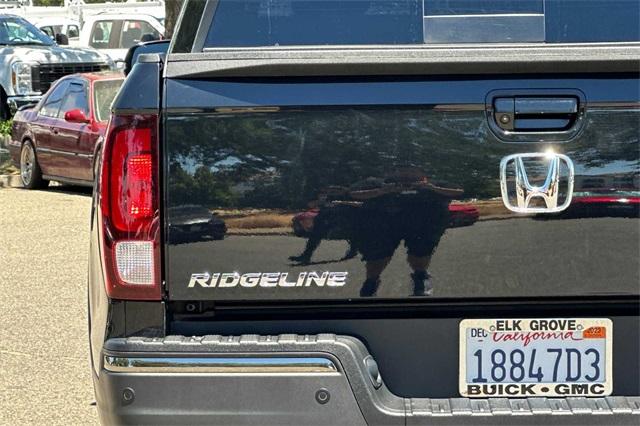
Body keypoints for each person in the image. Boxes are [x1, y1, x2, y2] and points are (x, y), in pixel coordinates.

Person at [349, 168, 462, 297]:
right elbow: (354, 193)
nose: (407, 174)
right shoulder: (378, 183)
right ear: (393, 171)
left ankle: (421, 278)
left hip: (422, 225)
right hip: (383, 226)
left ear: (421, 172)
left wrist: (432, 188)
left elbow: (458, 192)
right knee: (378, 258)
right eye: (402, 170)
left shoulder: (431, 183)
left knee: (420, 254)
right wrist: (381, 191)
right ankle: (371, 282)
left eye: (412, 170)